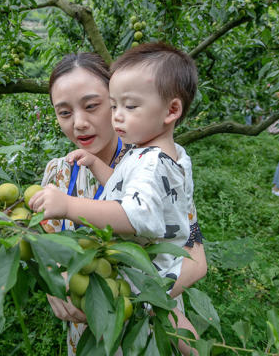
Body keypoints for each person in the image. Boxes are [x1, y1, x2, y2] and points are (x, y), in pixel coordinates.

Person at [32, 44, 206, 355]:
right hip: (88, 334)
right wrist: (52, 282)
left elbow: (196, 261)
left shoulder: (156, 166)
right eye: (64, 112)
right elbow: (44, 246)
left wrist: (125, 298)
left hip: (145, 319)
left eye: (93, 106)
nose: (79, 123)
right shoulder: (60, 172)